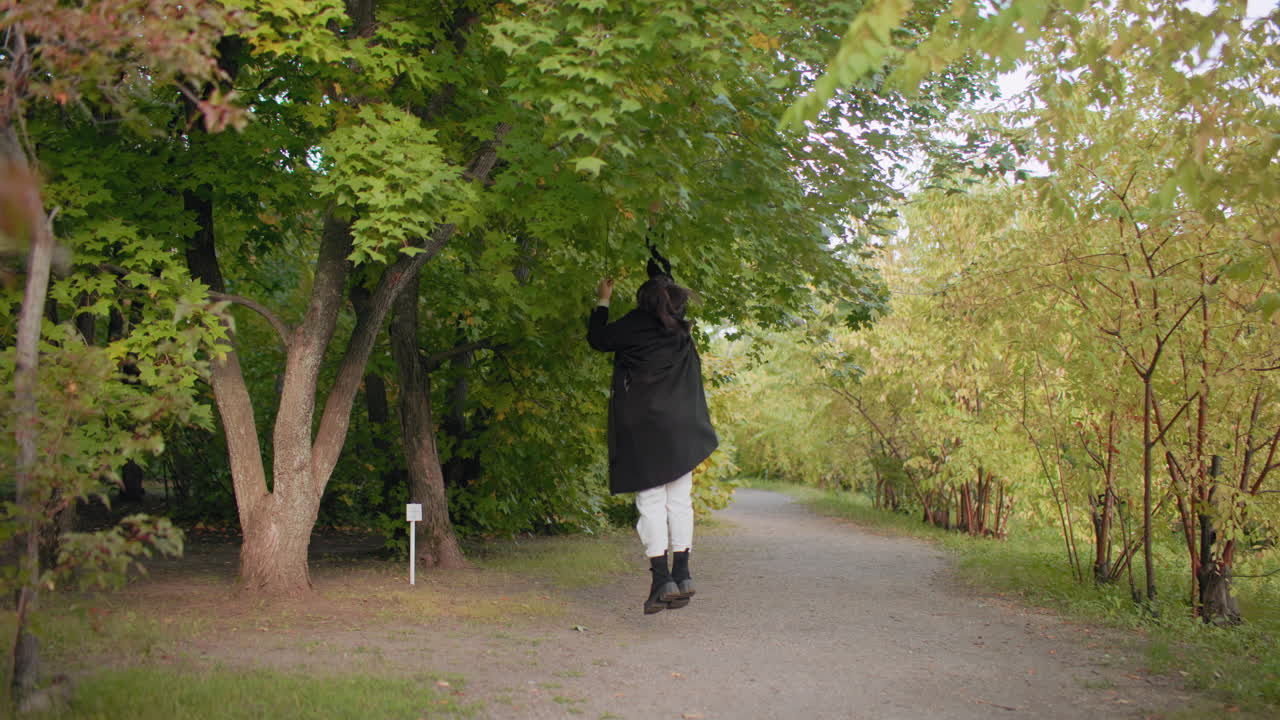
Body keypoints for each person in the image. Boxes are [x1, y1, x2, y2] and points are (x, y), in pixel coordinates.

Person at [586, 249, 719, 614]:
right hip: (683, 430)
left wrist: (603, 299)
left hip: (645, 430)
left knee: (651, 503)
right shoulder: (682, 330)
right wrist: (659, 261)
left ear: (643, 301)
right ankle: (683, 572)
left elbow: (598, 338)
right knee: (680, 501)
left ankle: (661, 580)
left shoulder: (633, 325)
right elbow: (667, 290)